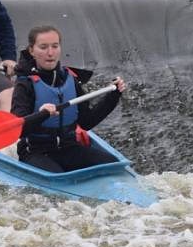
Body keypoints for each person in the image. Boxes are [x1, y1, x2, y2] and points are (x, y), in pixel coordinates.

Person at [11, 25, 126, 172]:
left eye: (55, 46)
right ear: (31, 50)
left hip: (69, 147)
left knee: (113, 165)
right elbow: (17, 129)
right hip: (35, 151)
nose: (50, 53)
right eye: (43, 47)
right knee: (56, 175)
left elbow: (86, 122)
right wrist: (40, 114)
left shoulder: (70, 79)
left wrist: (113, 96)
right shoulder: (25, 84)